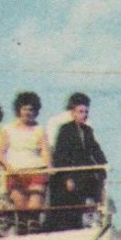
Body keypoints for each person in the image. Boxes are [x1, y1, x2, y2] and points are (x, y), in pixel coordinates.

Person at [46, 93, 107, 231]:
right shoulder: (65, 129)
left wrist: (104, 166)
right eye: (80, 112)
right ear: (73, 113)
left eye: (86, 112)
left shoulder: (87, 131)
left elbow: (95, 150)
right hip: (70, 175)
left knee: (93, 193)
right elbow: (61, 155)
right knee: (69, 205)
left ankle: (90, 223)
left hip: (85, 174)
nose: (84, 115)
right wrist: (68, 177)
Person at [0, 91, 51, 231]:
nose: (28, 112)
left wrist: (48, 167)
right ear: (19, 110)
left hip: (36, 170)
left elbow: (45, 151)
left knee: (34, 213)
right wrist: (9, 168)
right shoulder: (7, 129)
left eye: (31, 109)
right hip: (16, 172)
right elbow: (0, 154)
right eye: (25, 109)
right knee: (21, 214)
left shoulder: (39, 129)